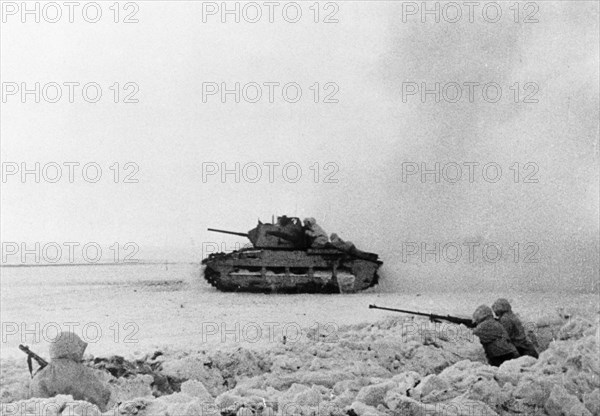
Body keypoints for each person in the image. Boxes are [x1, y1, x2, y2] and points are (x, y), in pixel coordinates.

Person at [30, 332, 111, 410]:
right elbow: (103, 395)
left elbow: (36, 404)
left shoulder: (41, 376)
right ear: (74, 348)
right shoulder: (84, 372)